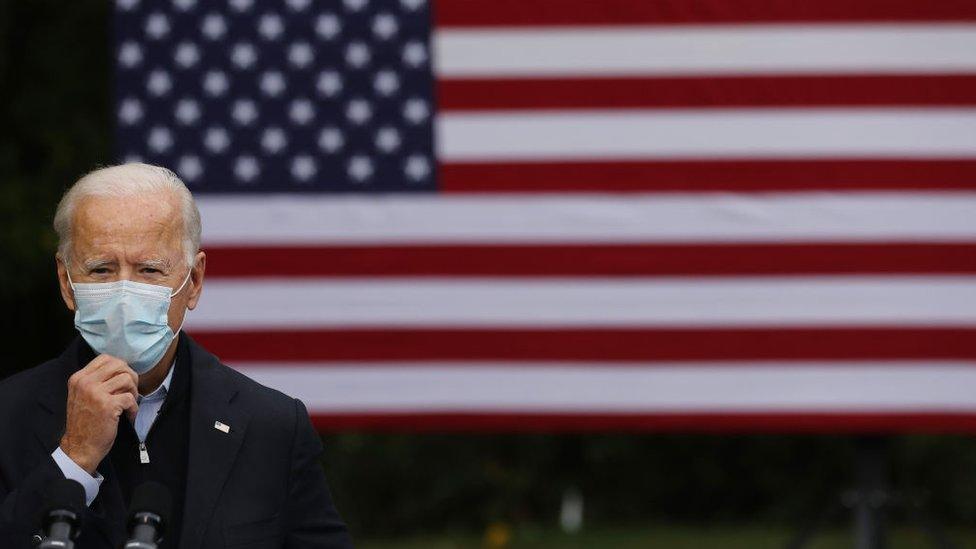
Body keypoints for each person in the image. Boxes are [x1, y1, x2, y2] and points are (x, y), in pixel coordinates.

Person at [0, 164, 353, 548]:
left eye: (149, 269)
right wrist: (73, 459)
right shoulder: (8, 417)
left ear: (194, 282)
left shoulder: (271, 426)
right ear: (67, 283)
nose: (124, 293)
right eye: (101, 269)